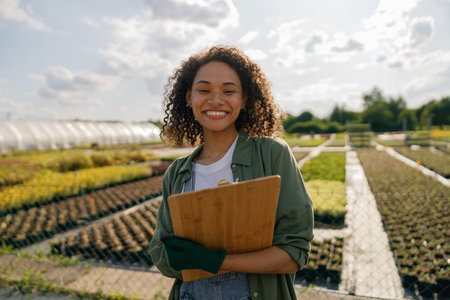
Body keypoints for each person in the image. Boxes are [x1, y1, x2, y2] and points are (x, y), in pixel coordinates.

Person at [149, 45, 313, 299]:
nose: (216, 100)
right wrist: (173, 256)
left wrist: (217, 261)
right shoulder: (177, 172)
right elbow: (160, 253)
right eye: (203, 90)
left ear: (244, 99)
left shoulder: (271, 154)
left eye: (229, 91)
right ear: (188, 97)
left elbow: (294, 254)